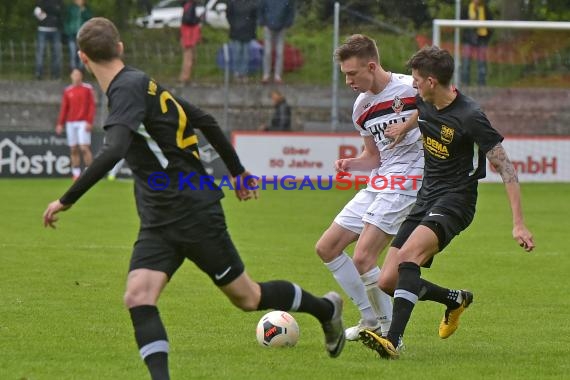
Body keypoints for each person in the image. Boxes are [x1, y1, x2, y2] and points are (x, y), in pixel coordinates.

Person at [43, 17, 345, 379]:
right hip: (159, 219)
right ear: (120, 47)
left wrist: (67, 199)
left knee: (247, 298)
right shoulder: (143, 83)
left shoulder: (126, 89)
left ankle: (326, 310)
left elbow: (114, 149)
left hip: (192, 211)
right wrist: (238, 173)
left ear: (82, 57)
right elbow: (204, 119)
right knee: (138, 296)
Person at [359, 46, 535, 360]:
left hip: (457, 200)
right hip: (426, 196)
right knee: (388, 280)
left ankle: (393, 341)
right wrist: (404, 128)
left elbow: (507, 168)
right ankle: (455, 300)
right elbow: (421, 113)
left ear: (430, 81)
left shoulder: (470, 116)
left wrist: (518, 223)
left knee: (409, 256)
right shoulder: (422, 99)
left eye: (416, 79)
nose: (411, 85)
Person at [315, 34, 423, 342]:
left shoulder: (409, 88)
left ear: (371, 66)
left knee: (363, 257)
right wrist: (353, 163)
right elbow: (373, 157)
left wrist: (409, 125)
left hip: (410, 180)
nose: (348, 81)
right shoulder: (361, 107)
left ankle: (392, 334)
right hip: (381, 180)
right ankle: (370, 319)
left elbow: (446, 103)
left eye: (352, 74)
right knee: (327, 247)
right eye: (345, 74)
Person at [56, 68, 96, 180]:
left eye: (78, 74)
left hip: (83, 122)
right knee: (73, 149)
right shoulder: (67, 90)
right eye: (74, 74)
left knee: (84, 148)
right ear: (71, 76)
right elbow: (64, 108)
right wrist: (60, 123)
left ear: (81, 76)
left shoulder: (87, 89)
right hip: (70, 123)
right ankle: (76, 173)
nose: (76, 76)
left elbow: (92, 106)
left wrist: (89, 121)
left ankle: (90, 172)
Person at [258, 0, 296, 84]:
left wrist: (288, 24)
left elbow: (291, 11)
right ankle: (266, 75)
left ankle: (277, 76)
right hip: (268, 26)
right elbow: (261, 9)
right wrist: (263, 23)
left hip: (281, 28)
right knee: (267, 52)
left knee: (280, 52)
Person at [461, 0, 493, 86]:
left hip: (482, 38)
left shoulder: (485, 9)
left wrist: (487, 36)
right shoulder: (466, 8)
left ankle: (481, 84)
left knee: (481, 63)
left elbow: (491, 24)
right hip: (468, 38)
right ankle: (465, 84)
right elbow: (462, 23)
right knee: (466, 62)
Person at [227, 0, 258, 83]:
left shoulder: (252, 3)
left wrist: (252, 30)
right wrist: (234, 25)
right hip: (236, 31)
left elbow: (254, 18)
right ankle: (237, 73)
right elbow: (229, 15)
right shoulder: (232, 2)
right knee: (237, 52)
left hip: (247, 32)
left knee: (246, 54)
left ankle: (243, 73)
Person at [34, 0, 64, 80]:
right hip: (42, 29)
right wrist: (48, 17)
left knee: (57, 54)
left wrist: (49, 14)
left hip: (55, 29)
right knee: (40, 53)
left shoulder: (59, 2)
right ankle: (39, 73)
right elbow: (37, 12)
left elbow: (61, 12)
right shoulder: (41, 1)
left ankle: (56, 75)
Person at [63, 0, 92, 70]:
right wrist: (68, 30)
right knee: (73, 52)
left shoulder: (86, 9)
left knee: (82, 52)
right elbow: (66, 20)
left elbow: (90, 19)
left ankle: (81, 69)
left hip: (82, 34)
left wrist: (84, 11)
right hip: (72, 34)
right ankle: (73, 69)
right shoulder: (70, 8)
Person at [178, 0, 202, 85]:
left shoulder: (188, 4)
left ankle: (186, 77)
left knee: (189, 58)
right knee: (188, 58)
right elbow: (188, 20)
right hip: (188, 36)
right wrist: (198, 19)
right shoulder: (191, 5)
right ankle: (185, 78)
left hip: (187, 35)